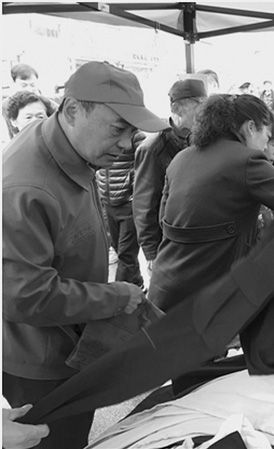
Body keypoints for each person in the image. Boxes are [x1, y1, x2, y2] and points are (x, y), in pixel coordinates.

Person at [3, 60, 168, 449]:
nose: (126, 144)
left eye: (132, 132)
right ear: (74, 109)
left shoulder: (74, 149)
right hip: (41, 362)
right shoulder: (25, 187)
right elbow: (25, 296)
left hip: (71, 340)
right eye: (117, 129)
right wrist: (116, 297)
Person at [148, 94, 274, 312]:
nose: (264, 147)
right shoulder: (247, 160)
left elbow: (163, 219)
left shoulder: (181, 158)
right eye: (267, 136)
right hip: (204, 299)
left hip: (163, 287)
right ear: (251, 127)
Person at [133, 78, 207, 274]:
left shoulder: (199, 140)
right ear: (178, 108)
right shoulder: (153, 148)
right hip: (166, 244)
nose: (204, 113)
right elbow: (144, 205)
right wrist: (151, 252)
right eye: (199, 105)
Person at [96, 130, 146, 289]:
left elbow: (145, 165)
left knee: (126, 255)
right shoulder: (100, 132)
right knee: (119, 250)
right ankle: (137, 283)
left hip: (128, 204)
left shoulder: (136, 136)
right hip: (108, 202)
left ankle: (119, 294)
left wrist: (134, 190)